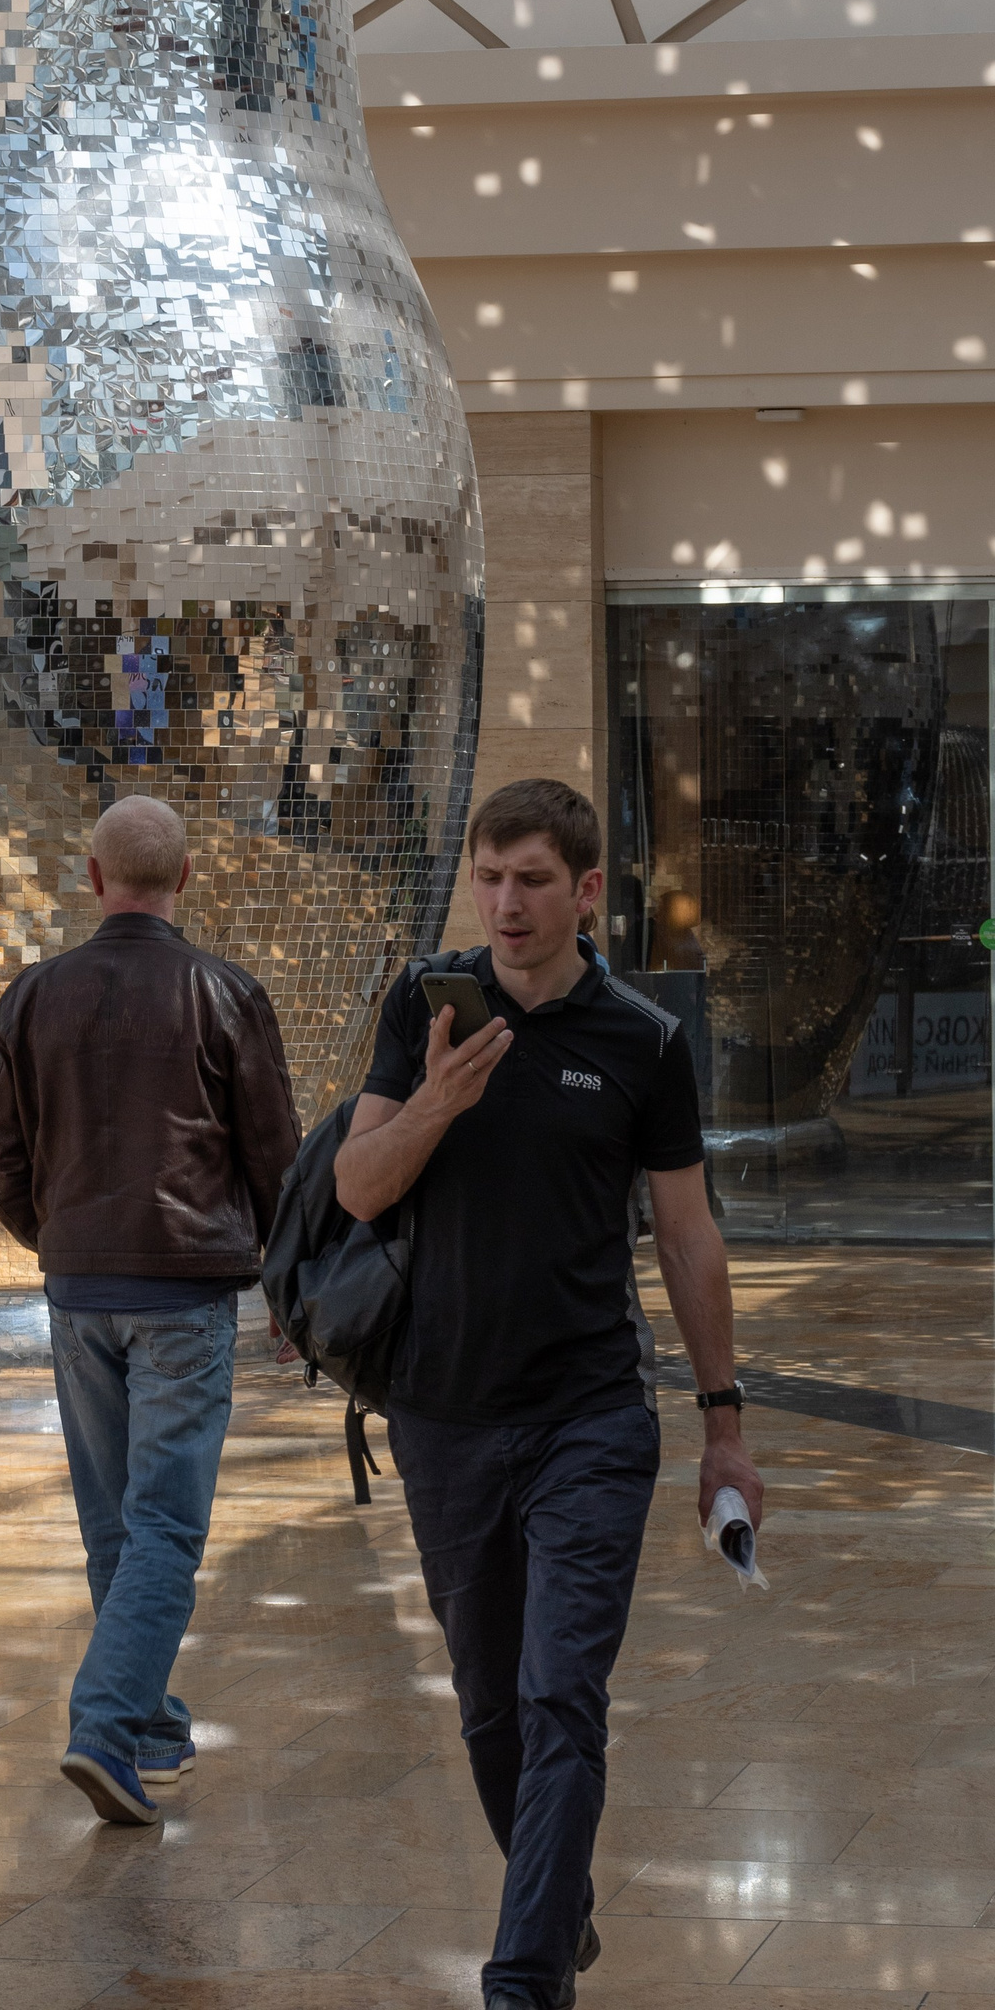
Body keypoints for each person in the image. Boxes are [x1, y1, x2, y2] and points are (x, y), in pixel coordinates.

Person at [338, 777, 762, 2010]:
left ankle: (522, 1982)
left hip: (592, 1414)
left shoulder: (644, 1041)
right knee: (489, 1712)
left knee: (561, 1696)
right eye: (489, 878)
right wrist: (437, 1100)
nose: (506, 903)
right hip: (442, 1415)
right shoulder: (422, 1005)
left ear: (585, 892)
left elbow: (686, 1235)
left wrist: (724, 1425)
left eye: (532, 880)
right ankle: (555, 1902)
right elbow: (359, 1188)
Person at [0, 794, 301, 1828]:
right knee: (164, 1526)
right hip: (186, 1292)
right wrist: (290, 1280)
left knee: (116, 1526)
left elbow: (1, 1164)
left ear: (93, 877)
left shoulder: (32, 997)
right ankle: (106, 1725)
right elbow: (277, 1162)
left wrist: (63, 1241)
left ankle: (153, 1732)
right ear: (185, 878)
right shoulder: (227, 993)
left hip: (79, 1293)